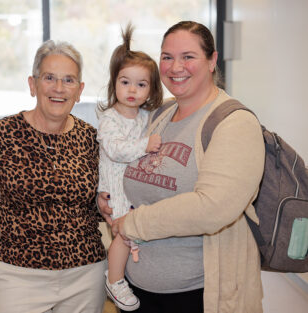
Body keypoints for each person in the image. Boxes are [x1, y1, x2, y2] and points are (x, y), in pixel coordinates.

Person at [98, 21, 265, 313]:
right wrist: (109, 195)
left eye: (188, 56)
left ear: (212, 61)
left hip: (197, 294)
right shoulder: (159, 116)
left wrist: (133, 224)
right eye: (167, 56)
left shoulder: (234, 123)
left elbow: (212, 208)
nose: (176, 67)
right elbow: (132, 170)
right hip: (139, 289)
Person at [0, 40, 107, 313]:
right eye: (49, 78)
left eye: (68, 80)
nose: (59, 88)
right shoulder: (1, 134)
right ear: (32, 84)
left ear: (80, 90)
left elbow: (100, 204)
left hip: (85, 273)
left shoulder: (91, 137)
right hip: (18, 276)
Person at [96, 24, 162, 311]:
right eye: (125, 82)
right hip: (115, 187)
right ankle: (114, 279)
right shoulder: (109, 117)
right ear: (114, 84)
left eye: (141, 84)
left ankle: (123, 271)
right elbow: (116, 150)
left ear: (150, 90)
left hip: (134, 187)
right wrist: (145, 146)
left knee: (137, 231)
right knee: (124, 232)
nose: (132, 90)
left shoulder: (146, 117)